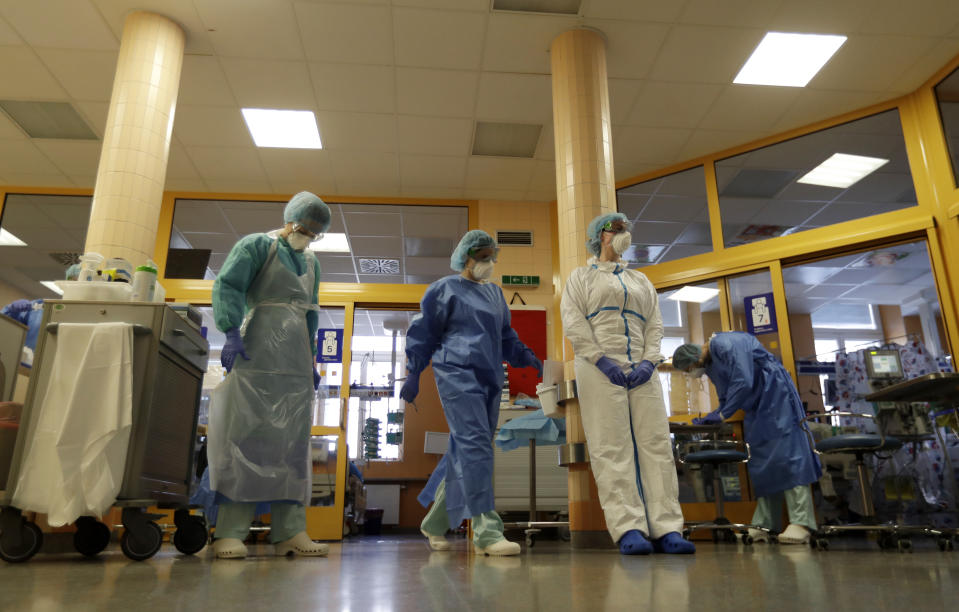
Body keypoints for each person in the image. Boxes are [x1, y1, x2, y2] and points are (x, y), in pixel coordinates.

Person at [401, 230, 542, 556]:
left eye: (492, 257)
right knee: (477, 447)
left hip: (490, 378)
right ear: (465, 257)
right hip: (456, 374)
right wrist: (414, 373)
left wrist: (525, 357)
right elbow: (423, 336)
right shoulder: (443, 290)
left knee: (465, 452)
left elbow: (506, 337)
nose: (488, 263)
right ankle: (487, 532)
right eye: (482, 256)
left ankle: (435, 522)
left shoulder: (495, 294)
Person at [560, 212, 694, 555]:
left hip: (643, 371)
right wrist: (600, 359)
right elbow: (573, 322)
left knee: (656, 445)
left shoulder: (640, 280)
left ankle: (667, 528)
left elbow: (655, 324)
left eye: (625, 230)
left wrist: (651, 360)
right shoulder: (580, 277)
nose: (623, 235)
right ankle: (628, 528)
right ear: (599, 237)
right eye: (615, 230)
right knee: (611, 446)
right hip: (598, 368)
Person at [207, 191, 330, 559]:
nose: (306, 236)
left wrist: (310, 362)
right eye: (304, 228)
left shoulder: (311, 262)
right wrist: (230, 332)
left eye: (314, 233)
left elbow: (310, 312)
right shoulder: (256, 246)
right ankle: (230, 532)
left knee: (292, 444)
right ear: (289, 219)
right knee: (245, 437)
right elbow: (228, 286)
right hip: (257, 350)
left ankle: (290, 530)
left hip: (294, 362)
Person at [672, 332, 823, 544]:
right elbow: (727, 395)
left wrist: (723, 414)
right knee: (762, 462)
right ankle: (765, 523)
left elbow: (743, 380)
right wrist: (715, 415)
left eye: (690, 369)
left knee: (789, 457)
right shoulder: (712, 365)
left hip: (776, 397)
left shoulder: (726, 344)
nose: (693, 373)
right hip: (757, 409)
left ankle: (801, 522)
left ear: (696, 357)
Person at [1, 265, 80, 366]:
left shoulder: (88, 316)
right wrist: (12, 311)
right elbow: (5, 327)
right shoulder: (40, 307)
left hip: (60, 370)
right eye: (72, 281)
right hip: (26, 369)